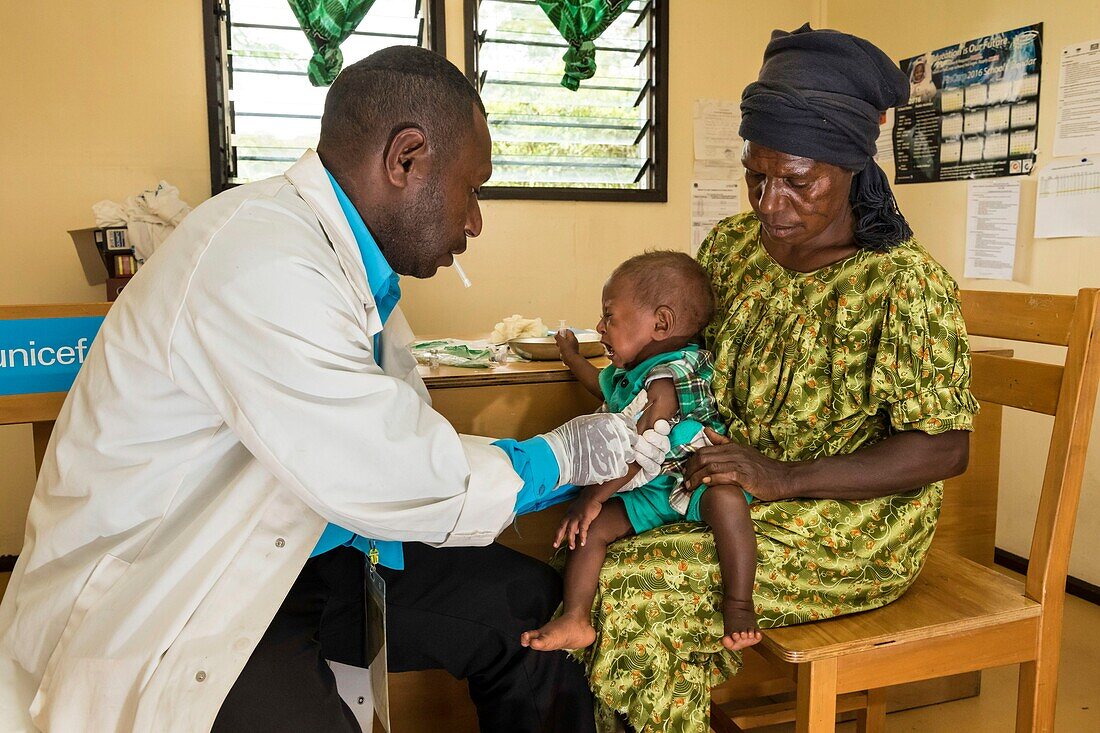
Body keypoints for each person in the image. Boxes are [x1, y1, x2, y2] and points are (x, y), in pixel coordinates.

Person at [0, 47, 672, 733]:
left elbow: (403, 438)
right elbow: (387, 465)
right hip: (184, 591)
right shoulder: (261, 256)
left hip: (309, 550)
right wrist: (564, 457)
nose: (475, 222)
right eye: (474, 189)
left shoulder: (358, 279)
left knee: (526, 601)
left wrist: (580, 466)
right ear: (406, 158)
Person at [578, 25, 980, 733]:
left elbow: (946, 449)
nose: (769, 203)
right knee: (594, 543)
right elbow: (679, 362)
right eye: (756, 176)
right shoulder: (732, 248)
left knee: (634, 589)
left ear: (854, 165)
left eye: (798, 181)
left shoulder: (902, 285)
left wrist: (784, 475)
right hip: (728, 486)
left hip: (851, 522)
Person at [519, 252, 762, 654]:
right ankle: (576, 617)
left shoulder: (668, 378)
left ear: (661, 323)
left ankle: (738, 603)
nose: (600, 326)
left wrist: (591, 498)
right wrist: (571, 357)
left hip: (689, 477)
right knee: (593, 533)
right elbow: (605, 389)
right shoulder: (630, 371)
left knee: (728, 500)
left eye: (609, 317)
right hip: (650, 489)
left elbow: (645, 450)